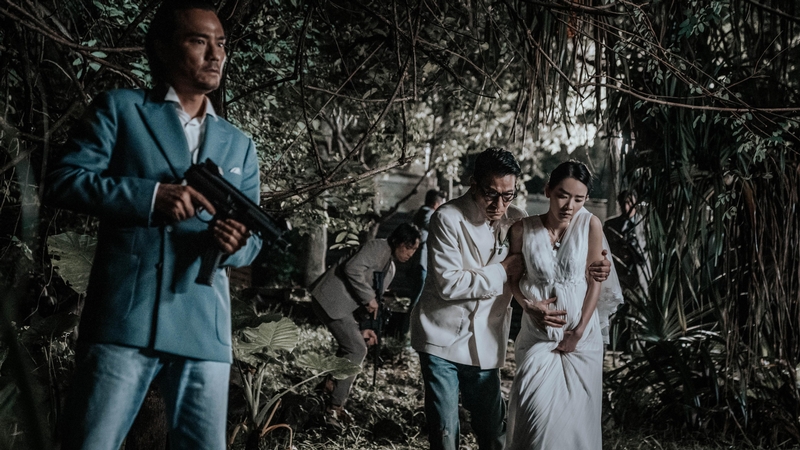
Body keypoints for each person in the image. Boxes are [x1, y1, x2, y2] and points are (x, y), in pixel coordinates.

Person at [44, 1, 262, 448]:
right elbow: (64, 180)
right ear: (163, 48)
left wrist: (235, 243)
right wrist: (150, 197)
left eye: (221, 44)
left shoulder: (239, 144)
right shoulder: (121, 109)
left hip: (205, 326)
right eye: (199, 41)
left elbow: (252, 239)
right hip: (127, 315)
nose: (216, 55)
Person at [410, 148, 612, 450]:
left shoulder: (517, 219)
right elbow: (449, 284)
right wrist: (503, 271)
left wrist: (599, 267)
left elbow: (547, 264)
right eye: (491, 194)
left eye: (508, 195)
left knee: (493, 428)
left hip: (486, 338)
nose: (500, 204)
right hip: (442, 336)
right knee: (445, 429)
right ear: (474, 183)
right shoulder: (447, 218)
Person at [505, 160, 624, 450]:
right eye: (562, 195)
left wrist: (578, 331)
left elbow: (595, 280)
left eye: (579, 199)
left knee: (576, 428)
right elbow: (512, 280)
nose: (570, 205)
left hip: (582, 341)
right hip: (538, 338)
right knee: (535, 419)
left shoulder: (590, 225)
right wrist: (528, 306)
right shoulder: (522, 229)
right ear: (548, 190)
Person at [311, 223, 421, 428]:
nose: (410, 254)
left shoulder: (390, 268)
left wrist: (365, 326)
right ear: (398, 241)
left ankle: (328, 386)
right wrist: (369, 298)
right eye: (408, 247)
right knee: (356, 348)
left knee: (352, 345)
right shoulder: (377, 247)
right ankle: (334, 407)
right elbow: (352, 269)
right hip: (331, 299)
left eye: (414, 249)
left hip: (342, 306)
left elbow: (371, 302)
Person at [399, 189, 446, 337]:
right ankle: (406, 332)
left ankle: (406, 332)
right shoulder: (428, 214)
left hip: (419, 264)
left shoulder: (421, 213)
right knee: (418, 300)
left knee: (417, 299)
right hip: (422, 264)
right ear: (436, 203)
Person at [604, 190, 648, 292]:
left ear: (636, 203)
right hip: (617, 277)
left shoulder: (646, 226)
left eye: (629, 203)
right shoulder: (610, 225)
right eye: (623, 203)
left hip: (640, 277)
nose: (626, 207)